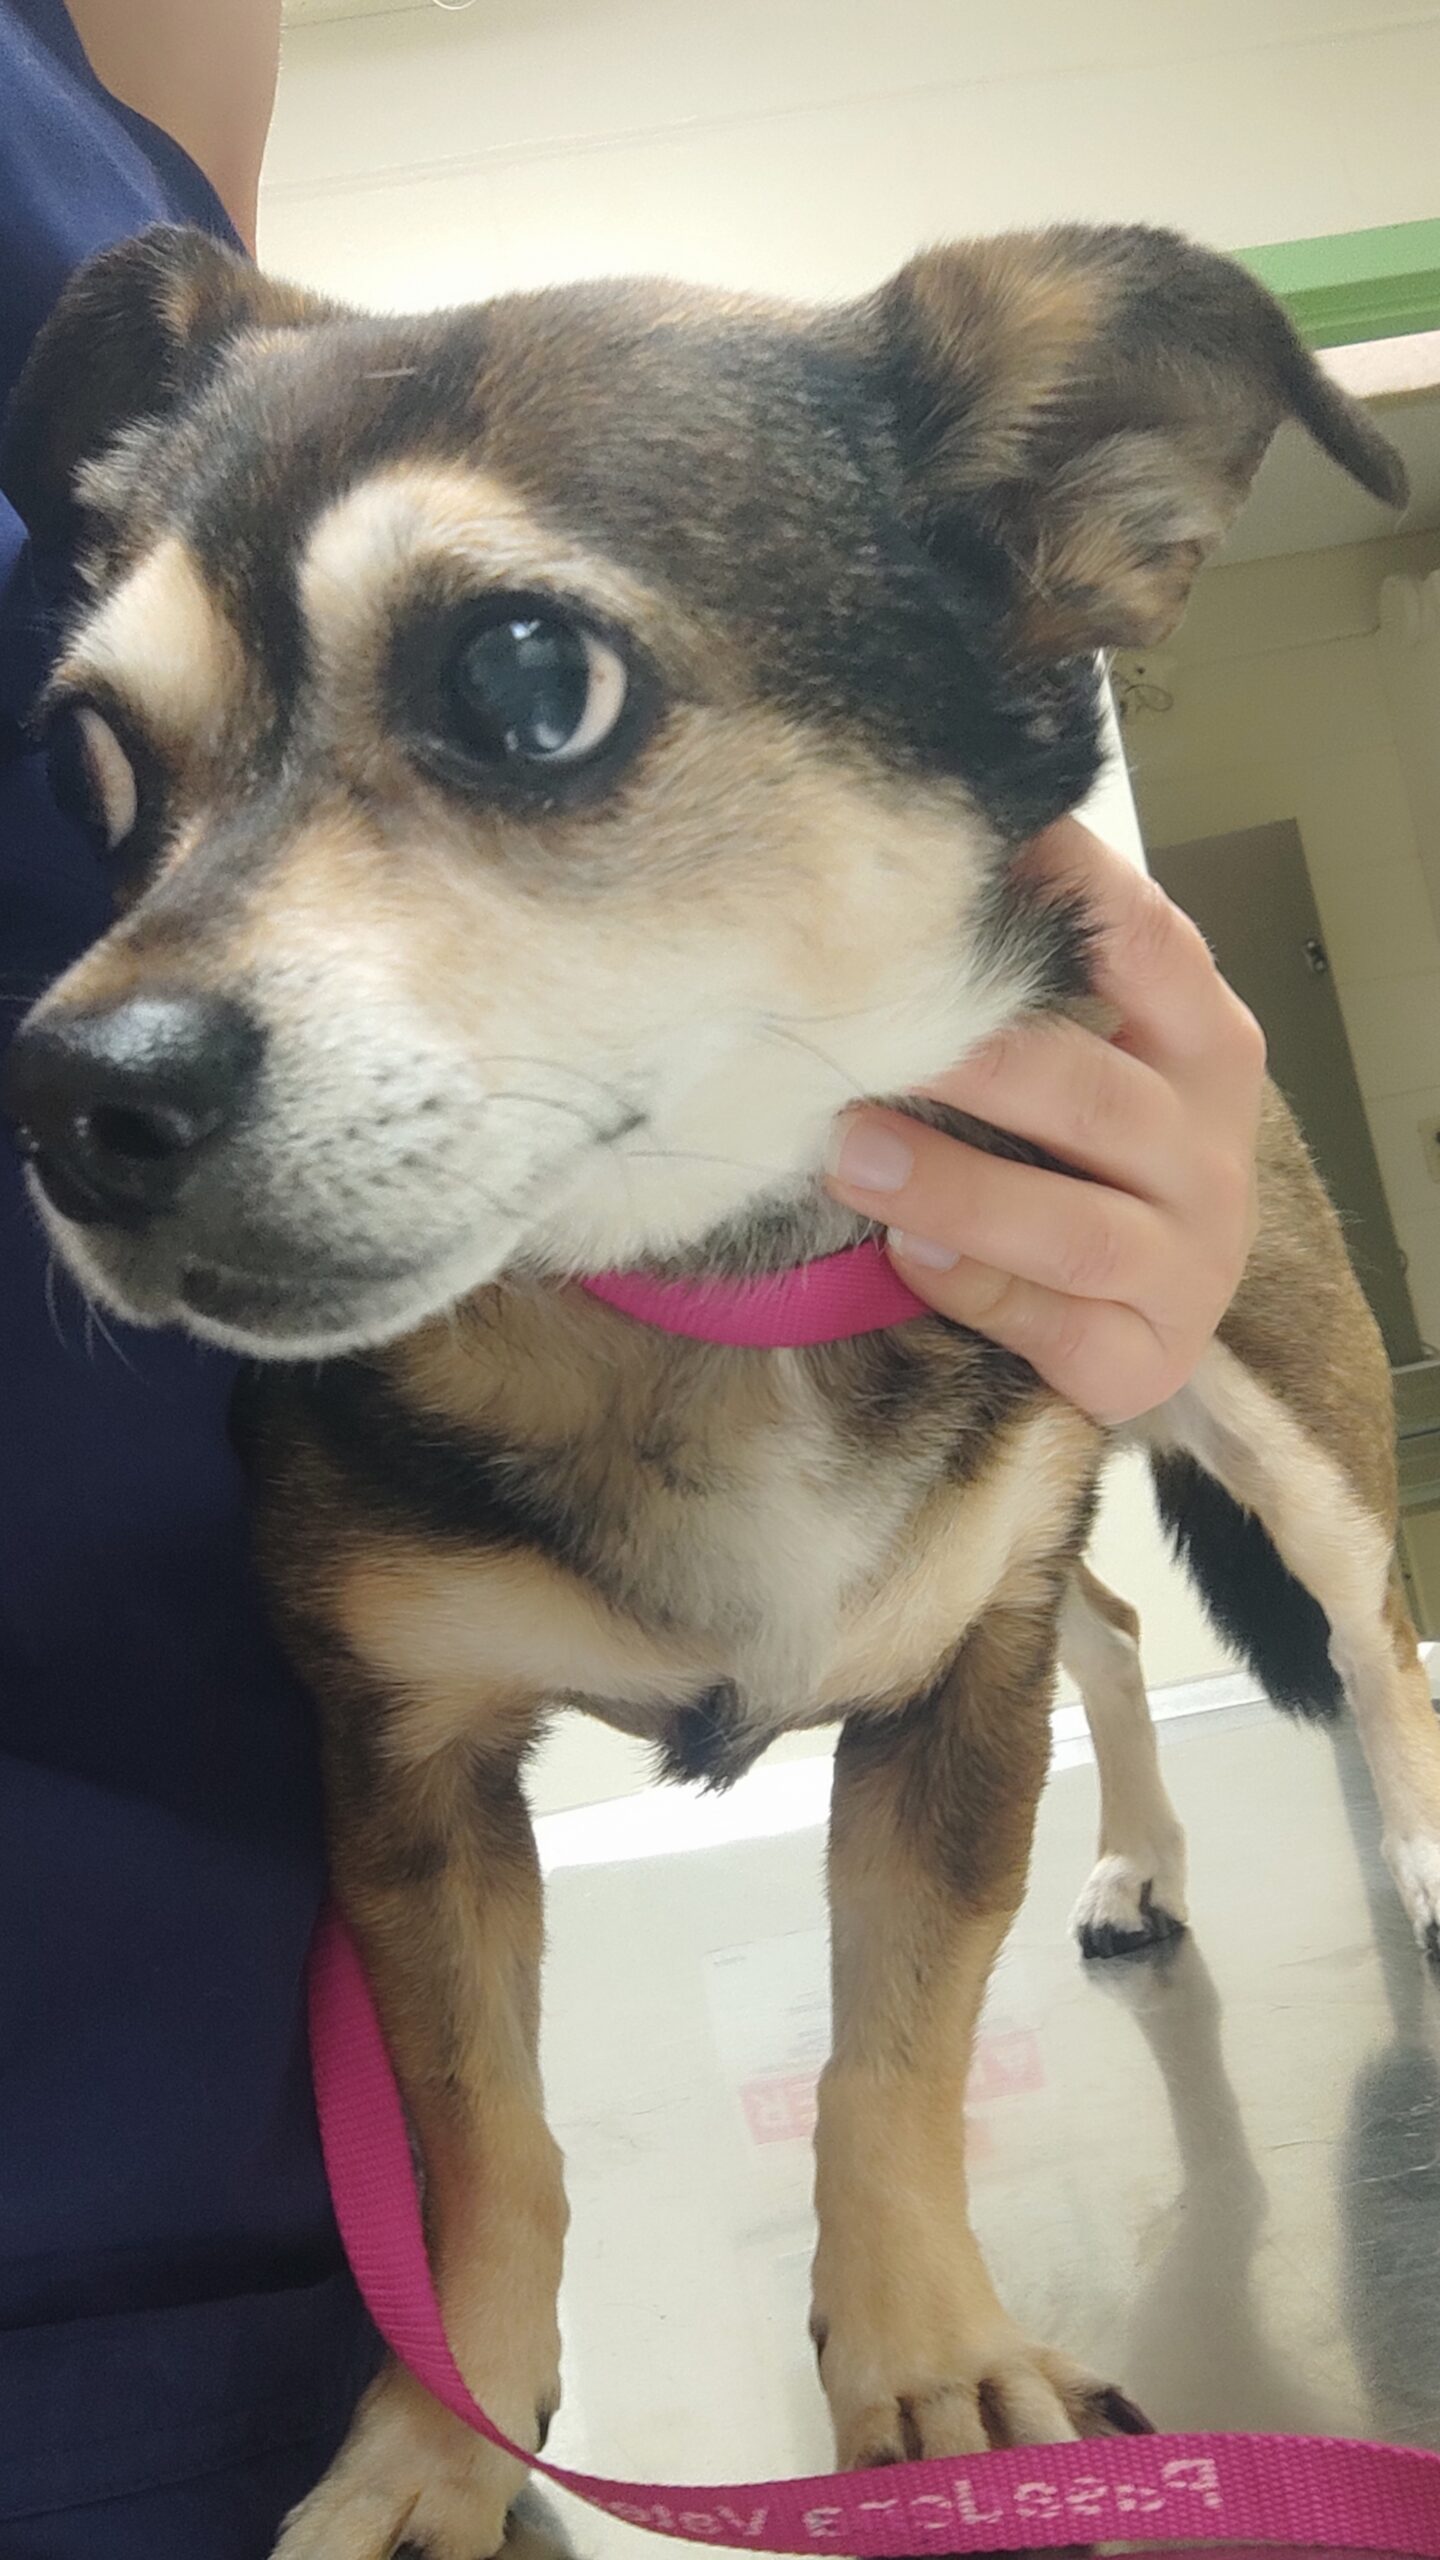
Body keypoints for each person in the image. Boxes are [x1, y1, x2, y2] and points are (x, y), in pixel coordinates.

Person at [0, 5, 1264, 2550]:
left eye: (526, 689)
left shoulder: (88, 160)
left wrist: (1061, 1034)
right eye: (120, 768)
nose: (116, 1025)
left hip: (221, 2209)